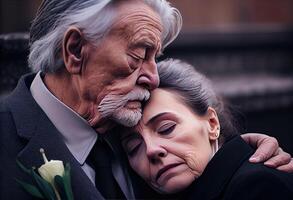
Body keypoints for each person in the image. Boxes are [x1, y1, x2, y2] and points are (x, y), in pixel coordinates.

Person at [0, 0, 292, 199]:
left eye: (154, 58)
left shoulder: (120, 114)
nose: (152, 78)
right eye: (138, 55)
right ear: (75, 51)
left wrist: (239, 149)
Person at [120, 59, 293, 199]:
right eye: (134, 148)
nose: (151, 150)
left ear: (212, 123)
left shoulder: (256, 188)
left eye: (167, 129)